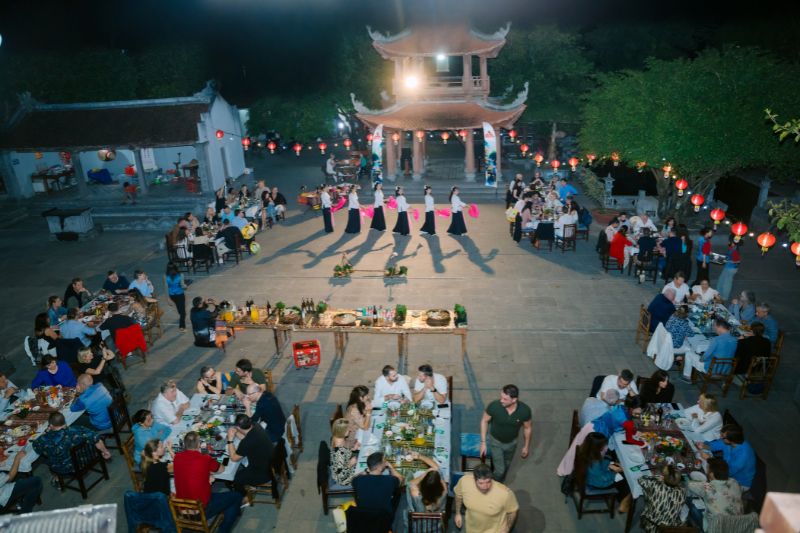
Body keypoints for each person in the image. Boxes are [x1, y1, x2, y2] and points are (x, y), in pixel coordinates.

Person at [173, 431, 242, 533]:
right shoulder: (205, 459)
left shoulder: (177, 457)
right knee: (236, 496)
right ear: (199, 444)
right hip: (201, 510)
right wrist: (207, 463)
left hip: (182, 509)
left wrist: (206, 474)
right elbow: (221, 469)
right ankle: (223, 530)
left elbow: (190, 470)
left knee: (215, 495)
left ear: (184, 445)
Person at [32, 412, 112, 479]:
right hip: (87, 458)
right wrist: (105, 451)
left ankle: (57, 479)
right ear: (64, 421)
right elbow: (96, 438)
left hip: (65, 468)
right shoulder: (77, 429)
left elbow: (35, 446)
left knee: (45, 458)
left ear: (51, 425)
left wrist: (46, 433)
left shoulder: (45, 440)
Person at [479, 385, 532, 482]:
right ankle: (493, 484)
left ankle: (500, 480)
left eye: (505, 399)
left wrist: (526, 446)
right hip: (496, 442)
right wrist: (483, 442)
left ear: (514, 400)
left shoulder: (525, 411)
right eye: (501, 397)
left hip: (512, 443)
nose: (501, 400)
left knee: (507, 465)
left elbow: (527, 428)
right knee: (500, 471)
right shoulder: (494, 406)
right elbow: (484, 421)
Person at [573, 432, 631, 513]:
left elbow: (601, 462)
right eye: (604, 446)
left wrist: (610, 465)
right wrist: (614, 474)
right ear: (597, 448)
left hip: (589, 476)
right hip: (596, 483)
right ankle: (623, 503)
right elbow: (602, 479)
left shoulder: (586, 452)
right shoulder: (595, 463)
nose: (606, 448)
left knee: (614, 464)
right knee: (626, 479)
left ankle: (621, 497)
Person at [453, 463, 518, 532]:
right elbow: (458, 495)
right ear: (474, 480)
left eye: (488, 482)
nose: (485, 487)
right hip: (471, 529)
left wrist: (507, 528)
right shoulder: (464, 482)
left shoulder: (505, 493)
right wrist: (458, 513)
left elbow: (512, 511)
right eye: (481, 483)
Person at [687, 457, 743, 531]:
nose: (706, 470)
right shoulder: (735, 482)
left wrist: (704, 482)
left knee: (690, 502)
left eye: (707, 469)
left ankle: (700, 529)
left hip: (715, 528)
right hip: (737, 526)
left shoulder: (708, 487)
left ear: (712, 474)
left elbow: (689, 484)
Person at [226, 414, 274, 498]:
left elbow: (234, 458)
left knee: (236, 478)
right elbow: (246, 437)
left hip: (264, 473)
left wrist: (230, 440)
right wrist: (236, 432)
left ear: (239, 427)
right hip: (272, 461)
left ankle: (244, 498)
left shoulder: (247, 442)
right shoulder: (255, 425)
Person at [696, 424, 756, 490]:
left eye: (723, 437)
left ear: (731, 440)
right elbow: (714, 445)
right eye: (721, 434)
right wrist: (704, 445)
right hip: (726, 469)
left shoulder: (743, 455)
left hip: (738, 482)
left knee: (708, 486)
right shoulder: (730, 442)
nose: (720, 437)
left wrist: (709, 459)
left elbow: (725, 473)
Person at [352, 452, 404, 517]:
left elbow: (353, 478)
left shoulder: (358, 480)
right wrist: (391, 468)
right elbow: (401, 479)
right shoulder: (389, 480)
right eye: (384, 462)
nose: (385, 464)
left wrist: (367, 471)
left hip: (363, 517)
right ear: (379, 467)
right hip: (384, 518)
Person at [639, 465, 687, 532]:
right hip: (668, 529)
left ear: (663, 477)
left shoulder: (655, 486)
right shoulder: (683, 493)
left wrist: (657, 477)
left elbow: (641, 479)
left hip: (650, 525)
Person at [330, 418, 358, 486]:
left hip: (344, 464)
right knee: (367, 472)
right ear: (342, 431)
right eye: (348, 429)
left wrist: (352, 448)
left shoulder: (337, 437)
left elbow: (345, 451)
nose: (350, 430)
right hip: (343, 478)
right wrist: (350, 464)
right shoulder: (339, 451)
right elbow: (341, 476)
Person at [715, 235, 741, 300]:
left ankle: (724, 297)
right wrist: (722, 258)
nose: (729, 243)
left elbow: (737, 261)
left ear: (733, 243)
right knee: (721, 280)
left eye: (730, 242)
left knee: (727, 283)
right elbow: (728, 255)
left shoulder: (735, 251)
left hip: (731, 269)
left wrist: (728, 260)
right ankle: (718, 293)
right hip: (727, 267)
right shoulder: (731, 248)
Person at [164, 263, 187, 332]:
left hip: (172, 295)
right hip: (180, 294)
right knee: (183, 312)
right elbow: (183, 286)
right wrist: (185, 286)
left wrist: (168, 299)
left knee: (179, 308)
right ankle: (181, 326)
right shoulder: (181, 275)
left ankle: (181, 317)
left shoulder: (165, 276)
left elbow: (166, 287)